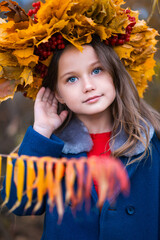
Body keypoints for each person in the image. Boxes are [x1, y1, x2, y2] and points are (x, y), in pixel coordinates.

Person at [1, 35, 160, 240]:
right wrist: (41, 130)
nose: (88, 85)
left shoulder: (152, 142)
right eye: (72, 79)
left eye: (96, 70)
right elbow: (22, 203)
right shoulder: (51, 148)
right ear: (58, 94)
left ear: (114, 73)